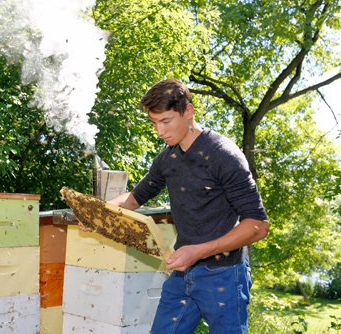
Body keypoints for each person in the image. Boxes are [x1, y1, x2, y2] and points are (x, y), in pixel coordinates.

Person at [88, 79, 269, 333]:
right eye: (154, 123)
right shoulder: (167, 159)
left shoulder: (223, 155)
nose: (159, 131)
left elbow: (258, 226)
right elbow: (133, 199)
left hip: (224, 276)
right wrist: (95, 215)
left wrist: (199, 251)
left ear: (188, 111)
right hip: (183, 272)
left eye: (166, 121)